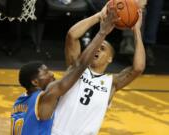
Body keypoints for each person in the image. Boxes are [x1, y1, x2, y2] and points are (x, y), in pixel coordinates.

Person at [11, 5, 117, 135]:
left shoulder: (19, 102)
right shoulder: (46, 97)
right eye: (45, 73)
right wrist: (102, 32)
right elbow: (80, 65)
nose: (52, 74)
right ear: (35, 82)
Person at [51, 3, 146, 135]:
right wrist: (99, 16)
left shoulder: (112, 83)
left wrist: (136, 31)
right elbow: (72, 36)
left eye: (103, 49)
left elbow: (138, 68)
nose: (97, 49)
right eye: (96, 46)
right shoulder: (76, 68)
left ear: (110, 58)